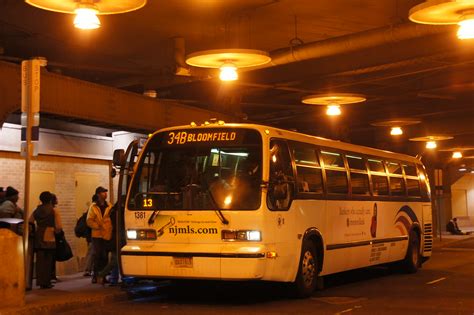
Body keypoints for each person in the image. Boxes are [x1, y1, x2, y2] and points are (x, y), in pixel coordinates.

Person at [29, 191, 63, 289]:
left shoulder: (37, 210)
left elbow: (30, 221)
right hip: (50, 235)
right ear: (50, 199)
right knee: (48, 260)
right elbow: (58, 226)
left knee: (40, 260)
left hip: (39, 235)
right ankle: (46, 281)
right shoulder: (53, 210)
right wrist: (57, 233)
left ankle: (40, 281)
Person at [86, 186, 113, 284]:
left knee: (105, 256)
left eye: (106, 192)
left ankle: (103, 275)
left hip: (107, 234)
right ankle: (95, 275)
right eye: (103, 192)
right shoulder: (93, 207)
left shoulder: (109, 206)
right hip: (97, 235)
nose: (105, 194)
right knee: (97, 255)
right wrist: (98, 226)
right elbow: (89, 221)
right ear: (98, 194)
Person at [97, 202, 119, 286]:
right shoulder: (116, 214)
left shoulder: (111, 211)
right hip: (116, 239)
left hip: (112, 239)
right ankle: (102, 274)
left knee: (114, 259)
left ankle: (113, 279)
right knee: (115, 261)